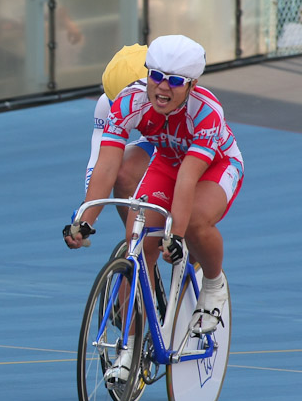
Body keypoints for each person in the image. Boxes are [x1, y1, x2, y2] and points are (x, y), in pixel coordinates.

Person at [64, 34, 244, 382]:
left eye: (175, 81)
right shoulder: (128, 102)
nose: (163, 88)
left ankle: (213, 283)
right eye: (157, 77)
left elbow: (189, 179)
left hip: (214, 166)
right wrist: (85, 219)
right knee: (136, 244)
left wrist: (174, 235)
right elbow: (105, 167)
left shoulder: (206, 113)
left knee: (193, 223)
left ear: (191, 84)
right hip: (167, 162)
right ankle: (129, 352)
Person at [84, 43, 151, 223]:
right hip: (152, 138)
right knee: (122, 173)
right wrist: (88, 210)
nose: (123, 109)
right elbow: (99, 159)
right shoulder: (105, 103)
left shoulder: (168, 99)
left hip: (181, 142)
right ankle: (137, 242)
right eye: (117, 104)